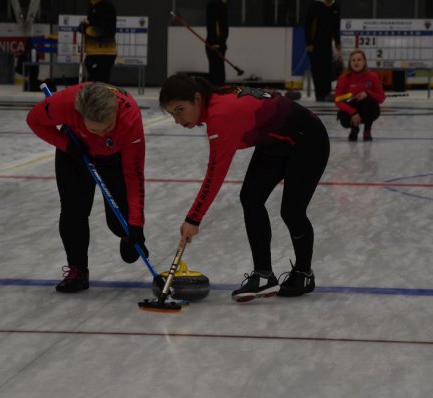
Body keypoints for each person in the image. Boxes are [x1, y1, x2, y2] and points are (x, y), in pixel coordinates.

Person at [159, 74, 330, 303]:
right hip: (276, 141)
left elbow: (214, 175)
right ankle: (263, 275)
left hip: (308, 140)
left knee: (292, 211)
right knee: (251, 197)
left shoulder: (221, 115)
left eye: (180, 110)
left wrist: (193, 218)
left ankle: (304, 274)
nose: (177, 120)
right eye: (172, 114)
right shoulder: (214, 102)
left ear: (197, 99)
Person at [26, 83, 148, 293]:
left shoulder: (130, 119)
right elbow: (34, 121)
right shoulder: (63, 104)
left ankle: (127, 235)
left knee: (120, 223)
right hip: (75, 151)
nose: (100, 135)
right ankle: (77, 269)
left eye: (107, 128)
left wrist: (136, 225)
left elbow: (134, 176)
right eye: (94, 129)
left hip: (114, 158)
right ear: (79, 114)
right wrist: (65, 144)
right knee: (73, 211)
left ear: (115, 114)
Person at [334, 49, 386, 141]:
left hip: (366, 108)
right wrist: (353, 113)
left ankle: (367, 129)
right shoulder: (343, 78)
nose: (356, 62)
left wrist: (368, 93)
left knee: (368, 101)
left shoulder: (372, 76)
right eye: (353, 60)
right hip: (351, 108)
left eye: (359, 60)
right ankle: (354, 128)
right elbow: (338, 100)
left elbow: (381, 98)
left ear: (364, 61)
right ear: (350, 63)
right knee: (343, 115)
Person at [304, 0, 342, 102]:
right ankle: (319, 94)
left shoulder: (335, 7)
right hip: (315, 42)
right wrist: (309, 43)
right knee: (317, 68)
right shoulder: (314, 5)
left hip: (328, 42)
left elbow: (336, 26)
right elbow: (308, 24)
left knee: (327, 68)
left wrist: (338, 43)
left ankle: (327, 93)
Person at [78, 0, 117, 83]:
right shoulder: (93, 7)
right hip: (93, 52)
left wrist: (86, 29)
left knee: (99, 82)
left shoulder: (105, 7)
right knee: (94, 82)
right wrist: (84, 26)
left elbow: (104, 30)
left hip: (102, 52)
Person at [206, 0, 229, 86]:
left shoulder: (222, 5)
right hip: (215, 43)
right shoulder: (215, 5)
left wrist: (221, 43)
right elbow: (212, 24)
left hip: (218, 43)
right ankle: (216, 89)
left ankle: (219, 89)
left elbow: (224, 27)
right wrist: (214, 42)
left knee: (218, 69)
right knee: (216, 69)